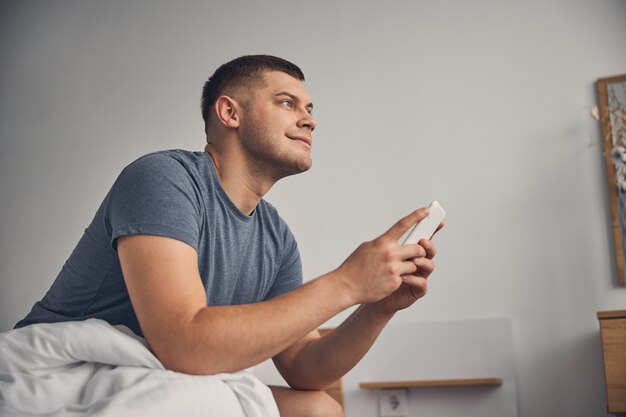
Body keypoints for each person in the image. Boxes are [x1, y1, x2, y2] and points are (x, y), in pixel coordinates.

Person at [15, 55, 442, 417]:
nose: (309, 120)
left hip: (159, 374)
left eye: (310, 109)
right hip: (68, 370)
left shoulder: (275, 236)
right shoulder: (164, 179)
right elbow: (183, 343)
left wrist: (377, 308)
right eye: (287, 103)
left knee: (320, 409)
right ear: (230, 113)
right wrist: (346, 282)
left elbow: (304, 368)